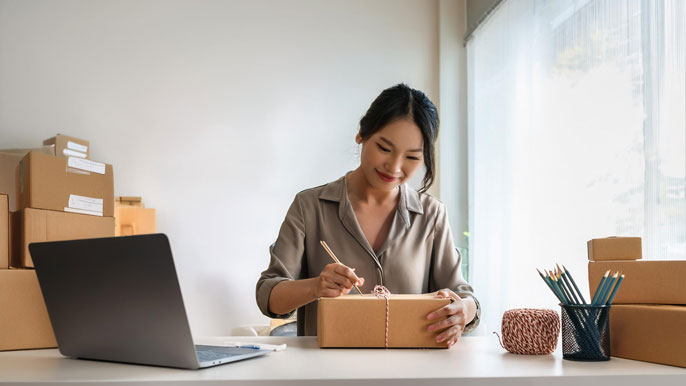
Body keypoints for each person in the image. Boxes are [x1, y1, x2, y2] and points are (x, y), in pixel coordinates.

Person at [256, 84, 480, 347]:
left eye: (411, 157)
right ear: (362, 133)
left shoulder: (432, 214)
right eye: (384, 148)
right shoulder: (309, 206)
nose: (394, 167)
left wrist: (464, 311)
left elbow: (465, 297)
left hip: (410, 374)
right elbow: (267, 296)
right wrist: (316, 286)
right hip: (324, 374)